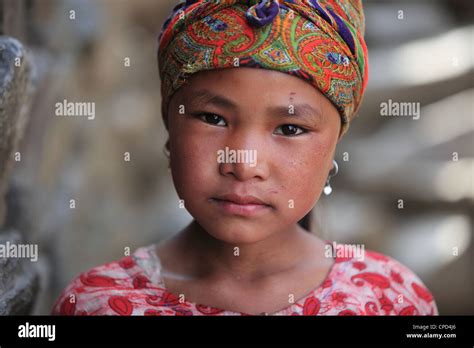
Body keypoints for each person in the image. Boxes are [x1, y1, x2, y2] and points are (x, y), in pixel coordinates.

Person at [52, 0, 438, 316]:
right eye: (213, 118)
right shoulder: (99, 303)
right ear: (169, 127)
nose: (244, 163)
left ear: (334, 146)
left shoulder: (391, 300)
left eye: (289, 129)